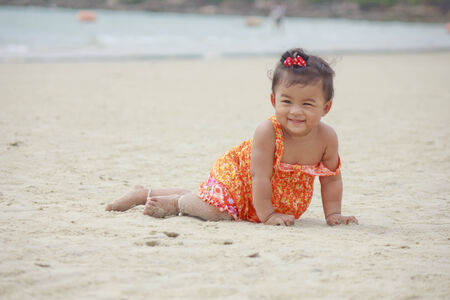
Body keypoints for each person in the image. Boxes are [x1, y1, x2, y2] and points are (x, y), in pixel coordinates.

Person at [105, 48, 358, 227]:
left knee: (209, 197)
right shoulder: (268, 132)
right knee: (217, 210)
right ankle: (177, 204)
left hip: (265, 197)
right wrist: (268, 215)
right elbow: (261, 176)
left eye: (307, 104)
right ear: (273, 100)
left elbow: (331, 180)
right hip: (241, 178)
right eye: (287, 101)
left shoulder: (327, 138)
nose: (295, 111)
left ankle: (144, 192)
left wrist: (333, 214)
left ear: (326, 107)